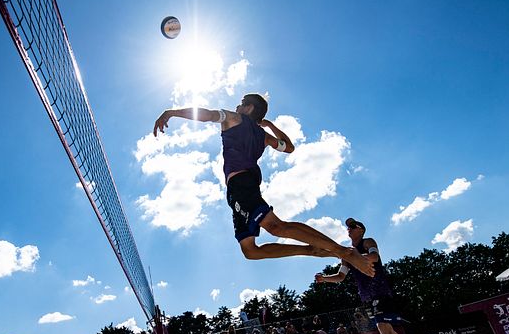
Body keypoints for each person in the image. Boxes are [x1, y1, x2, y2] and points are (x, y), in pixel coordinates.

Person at [153, 95, 375, 277]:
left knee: (276, 227)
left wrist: (172, 112)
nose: (237, 106)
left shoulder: (233, 118)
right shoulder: (262, 135)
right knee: (250, 250)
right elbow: (288, 147)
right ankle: (308, 249)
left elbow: (208, 115)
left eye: (241, 103)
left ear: (248, 108)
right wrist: (268, 124)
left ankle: (343, 251)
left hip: (242, 184)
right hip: (239, 189)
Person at [316, 217, 426, 334]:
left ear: (361, 229)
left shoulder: (367, 242)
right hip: (367, 297)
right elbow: (341, 276)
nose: (350, 228)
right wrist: (324, 278)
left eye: (353, 226)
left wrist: (355, 256)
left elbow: (374, 257)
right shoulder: (347, 253)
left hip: (380, 292)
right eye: (349, 227)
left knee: (385, 331)